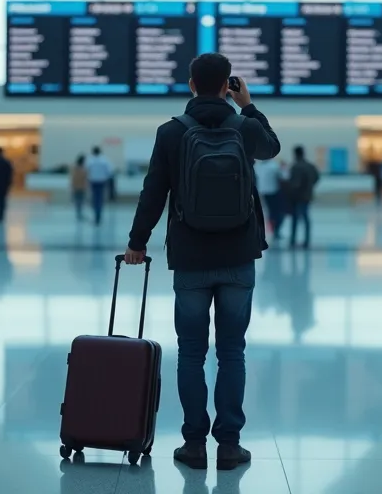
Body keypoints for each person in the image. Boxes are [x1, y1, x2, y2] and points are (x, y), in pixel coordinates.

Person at [122, 53, 279, 472]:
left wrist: (138, 243)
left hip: (190, 258)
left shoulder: (171, 132)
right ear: (228, 83)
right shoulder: (244, 128)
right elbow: (272, 147)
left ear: (191, 84)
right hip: (238, 256)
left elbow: (153, 192)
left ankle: (193, 444)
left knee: (191, 352)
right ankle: (229, 445)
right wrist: (248, 106)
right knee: (232, 352)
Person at [284, 146, 320, 248]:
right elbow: (317, 177)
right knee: (305, 218)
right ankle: (307, 241)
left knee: (295, 219)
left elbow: (293, 183)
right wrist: (310, 186)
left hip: (296, 197)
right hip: (307, 196)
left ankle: (292, 240)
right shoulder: (310, 166)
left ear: (295, 154)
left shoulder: (295, 167)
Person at [254, 159, 283, 240]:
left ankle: (270, 229)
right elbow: (281, 177)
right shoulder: (274, 166)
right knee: (275, 212)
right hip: (273, 192)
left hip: (262, 192)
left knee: (267, 212)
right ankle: (274, 230)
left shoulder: (258, 166)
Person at [85, 146, 114, 225]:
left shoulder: (90, 160)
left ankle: (96, 216)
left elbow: (86, 170)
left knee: (94, 198)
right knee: (100, 198)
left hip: (93, 181)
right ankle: (98, 215)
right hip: (102, 181)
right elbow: (110, 171)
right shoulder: (104, 160)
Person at [70, 154, 89, 220]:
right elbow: (85, 177)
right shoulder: (83, 169)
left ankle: (79, 213)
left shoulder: (75, 168)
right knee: (80, 201)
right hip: (81, 186)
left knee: (78, 201)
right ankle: (79, 213)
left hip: (77, 186)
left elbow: (73, 178)